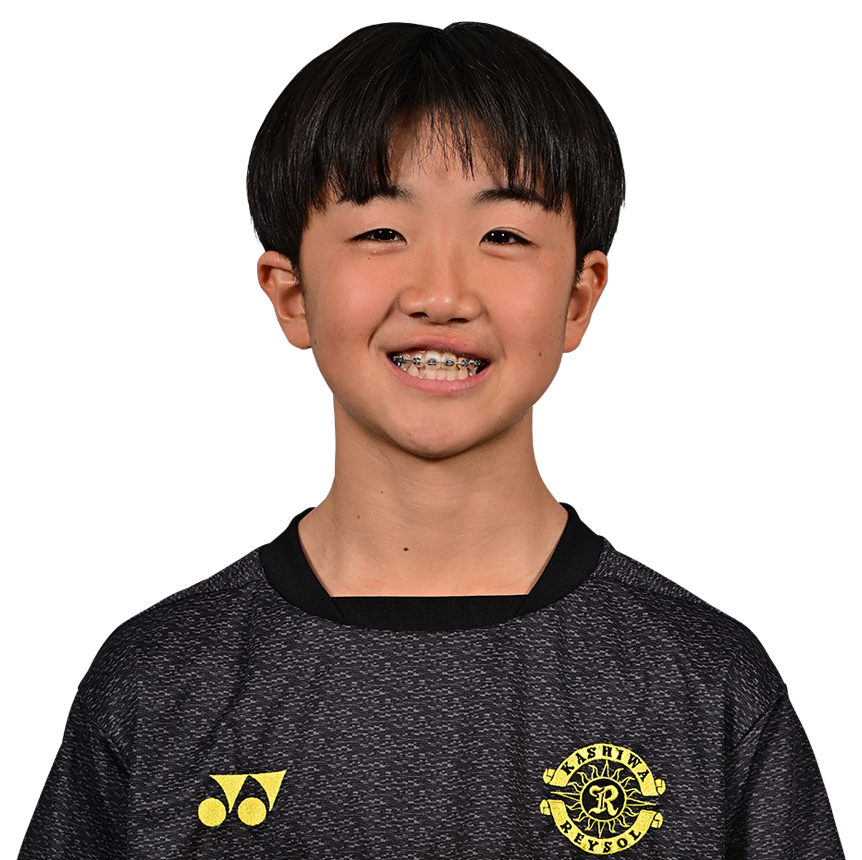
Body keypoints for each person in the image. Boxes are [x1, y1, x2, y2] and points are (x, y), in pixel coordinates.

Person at [20, 22, 842, 858]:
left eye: (504, 236)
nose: (442, 295)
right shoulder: (159, 683)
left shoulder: (706, 684)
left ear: (579, 300)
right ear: (290, 294)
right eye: (381, 232)